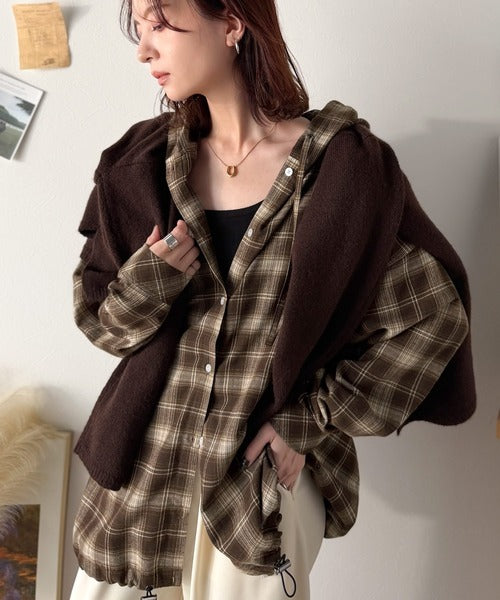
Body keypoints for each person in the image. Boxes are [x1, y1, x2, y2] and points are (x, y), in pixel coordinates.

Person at [69, 1, 476, 599]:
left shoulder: (340, 171)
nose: (144, 49)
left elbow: (432, 316)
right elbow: (100, 321)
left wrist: (309, 418)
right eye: (140, 28)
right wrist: (151, 279)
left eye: (160, 23)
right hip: (143, 476)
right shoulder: (141, 165)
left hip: (258, 486)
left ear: (232, 24)